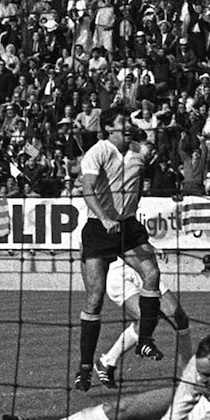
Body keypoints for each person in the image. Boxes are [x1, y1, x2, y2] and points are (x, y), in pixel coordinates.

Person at [2, 264, 194, 420]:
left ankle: (108, 362)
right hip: (131, 268)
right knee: (122, 408)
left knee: (165, 319)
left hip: (209, 416)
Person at [74, 106, 166, 392]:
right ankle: (85, 367)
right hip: (100, 228)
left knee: (152, 273)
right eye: (122, 122)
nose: (127, 125)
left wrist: (152, 131)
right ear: (108, 128)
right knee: (95, 299)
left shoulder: (139, 150)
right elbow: (87, 187)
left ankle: (145, 341)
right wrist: (104, 217)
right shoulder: (98, 152)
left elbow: (151, 155)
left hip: (127, 227)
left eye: (128, 121)